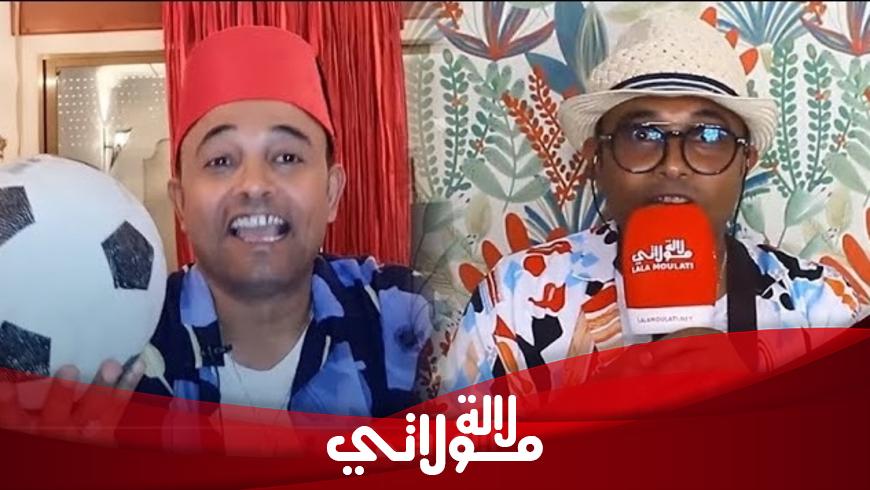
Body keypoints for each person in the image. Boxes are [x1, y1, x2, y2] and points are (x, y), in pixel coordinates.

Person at [432, 13, 868, 396]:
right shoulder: (515, 297)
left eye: (708, 135)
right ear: (597, 159)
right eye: (641, 135)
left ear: (744, 163)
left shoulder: (821, 307)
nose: (673, 165)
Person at [132, 25, 433, 418]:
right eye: (221, 161)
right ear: (181, 202)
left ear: (331, 193)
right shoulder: (128, 344)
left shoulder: (410, 318)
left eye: (287, 157)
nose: (255, 185)